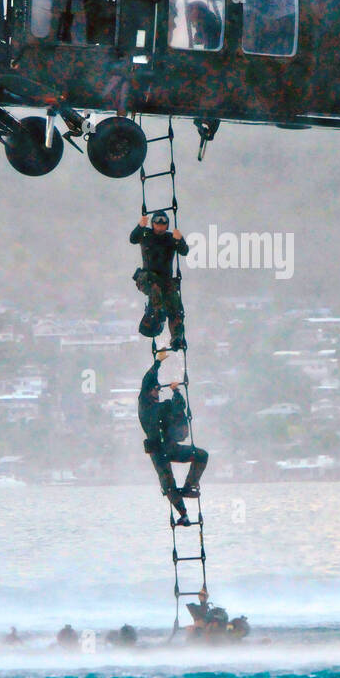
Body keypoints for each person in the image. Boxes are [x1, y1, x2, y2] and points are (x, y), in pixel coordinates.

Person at [140, 350, 207, 524]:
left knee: (201, 455)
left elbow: (180, 408)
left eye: (157, 389)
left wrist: (176, 392)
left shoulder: (164, 407)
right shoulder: (144, 405)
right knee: (168, 485)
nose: (156, 391)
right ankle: (183, 513)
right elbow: (146, 381)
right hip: (158, 452)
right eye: (154, 389)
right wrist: (157, 363)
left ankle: (188, 486)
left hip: (171, 449)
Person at [131, 210, 189, 350]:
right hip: (148, 278)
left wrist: (179, 239)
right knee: (155, 287)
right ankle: (158, 312)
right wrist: (140, 225)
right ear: (153, 223)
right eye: (157, 222)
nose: (160, 225)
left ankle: (177, 338)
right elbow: (133, 239)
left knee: (175, 308)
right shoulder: (145, 234)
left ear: (167, 225)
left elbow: (184, 251)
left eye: (163, 223)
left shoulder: (171, 238)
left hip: (166, 281)